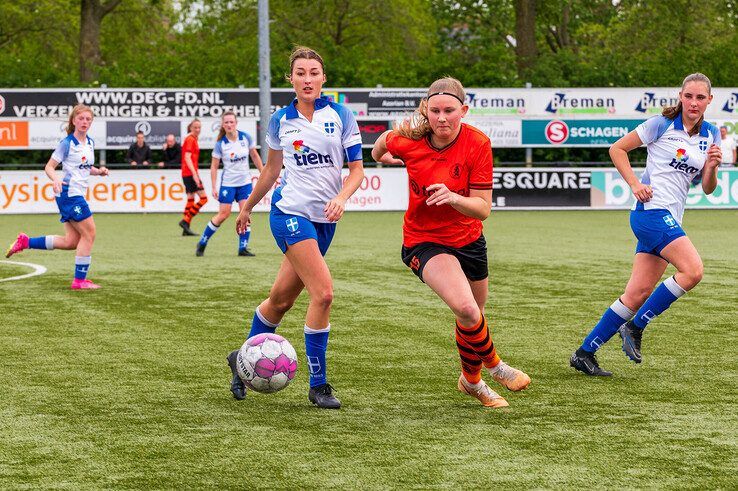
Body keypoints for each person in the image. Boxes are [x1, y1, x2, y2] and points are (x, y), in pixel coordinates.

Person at [371, 77, 530, 408]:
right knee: (467, 308)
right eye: (435, 111)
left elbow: (483, 208)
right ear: (426, 111)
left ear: (464, 110)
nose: (442, 118)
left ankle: (470, 382)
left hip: (469, 239)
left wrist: (452, 197)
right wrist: (388, 158)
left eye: (449, 111)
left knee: (475, 316)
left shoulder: (478, 143)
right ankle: (496, 367)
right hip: (423, 241)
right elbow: (379, 147)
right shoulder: (408, 140)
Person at [226, 46, 364, 409]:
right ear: (291, 78)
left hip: (325, 221)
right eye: (300, 72)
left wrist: (342, 197)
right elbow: (271, 171)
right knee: (324, 294)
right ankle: (319, 386)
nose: (307, 78)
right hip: (288, 213)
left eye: (313, 72)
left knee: (281, 300)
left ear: (323, 78)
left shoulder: (342, 116)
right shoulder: (280, 121)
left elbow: (357, 171)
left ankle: (240, 362)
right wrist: (248, 206)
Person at [570, 73, 722, 376]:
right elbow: (617, 149)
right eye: (689, 96)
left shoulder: (712, 133)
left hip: (669, 218)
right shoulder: (661, 124)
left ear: (709, 100)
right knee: (692, 271)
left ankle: (585, 352)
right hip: (650, 213)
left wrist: (713, 167)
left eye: (700, 98)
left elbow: (707, 188)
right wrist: (634, 184)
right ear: (680, 96)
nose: (693, 103)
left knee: (637, 293)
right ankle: (636, 327)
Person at [5, 104, 109, 289]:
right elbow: (49, 167)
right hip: (70, 194)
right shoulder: (67, 143)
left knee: (71, 242)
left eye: (88, 119)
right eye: (81, 118)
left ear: (91, 122)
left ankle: (26, 241)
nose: (84, 122)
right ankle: (79, 281)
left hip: (73, 195)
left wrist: (98, 171)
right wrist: (55, 179)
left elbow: (84, 168)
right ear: (73, 121)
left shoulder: (90, 142)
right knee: (90, 233)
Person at [196, 111, 264, 257]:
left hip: (245, 183)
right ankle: (202, 241)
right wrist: (213, 186)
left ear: (236, 123)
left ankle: (242, 248)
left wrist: (263, 173)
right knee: (223, 214)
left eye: (231, 122)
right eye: (226, 122)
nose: (229, 125)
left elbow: (254, 156)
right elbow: (214, 166)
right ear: (223, 124)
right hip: (228, 184)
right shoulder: (221, 144)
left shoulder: (245, 137)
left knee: (245, 213)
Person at [179, 119, 208, 236]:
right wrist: (195, 174)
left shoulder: (191, 139)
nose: (198, 129)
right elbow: (187, 157)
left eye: (199, 127)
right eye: (195, 127)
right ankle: (185, 221)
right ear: (190, 128)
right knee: (204, 198)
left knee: (190, 199)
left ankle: (186, 228)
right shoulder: (190, 139)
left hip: (186, 173)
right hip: (190, 174)